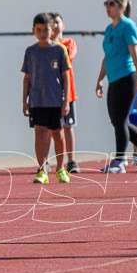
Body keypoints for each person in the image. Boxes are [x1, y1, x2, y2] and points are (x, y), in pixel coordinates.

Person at [95, 0, 137, 174]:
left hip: (127, 77)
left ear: (122, 6)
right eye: (106, 3)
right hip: (114, 79)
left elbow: (135, 54)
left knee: (120, 120)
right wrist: (100, 79)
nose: (108, 7)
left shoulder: (128, 26)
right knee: (117, 121)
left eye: (112, 4)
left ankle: (119, 161)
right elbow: (107, 57)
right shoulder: (109, 29)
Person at [22, 12, 71, 184]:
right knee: (39, 133)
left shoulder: (59, 50)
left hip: (56, 100)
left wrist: (66, 101)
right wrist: (24, 101)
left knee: (58, 134)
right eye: (39, 30)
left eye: (46, 30)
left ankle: (60, 168)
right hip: (37, 100)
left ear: (52, 30)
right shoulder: (31, 51)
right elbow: (27, 77)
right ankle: (42, 169)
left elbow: (65, 76)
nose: (43, 33)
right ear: (34, 30)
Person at [49, 12, 80, 173]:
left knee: (68, 127)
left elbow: (67, 57)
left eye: (58, 22)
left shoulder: (69, 43)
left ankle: (71, 160)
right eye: (52, 23)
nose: (55, 26)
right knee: (49, 128)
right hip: (49, 94)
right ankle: (47, 161)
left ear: (63, 25)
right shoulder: (45, 46)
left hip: (67, 93)